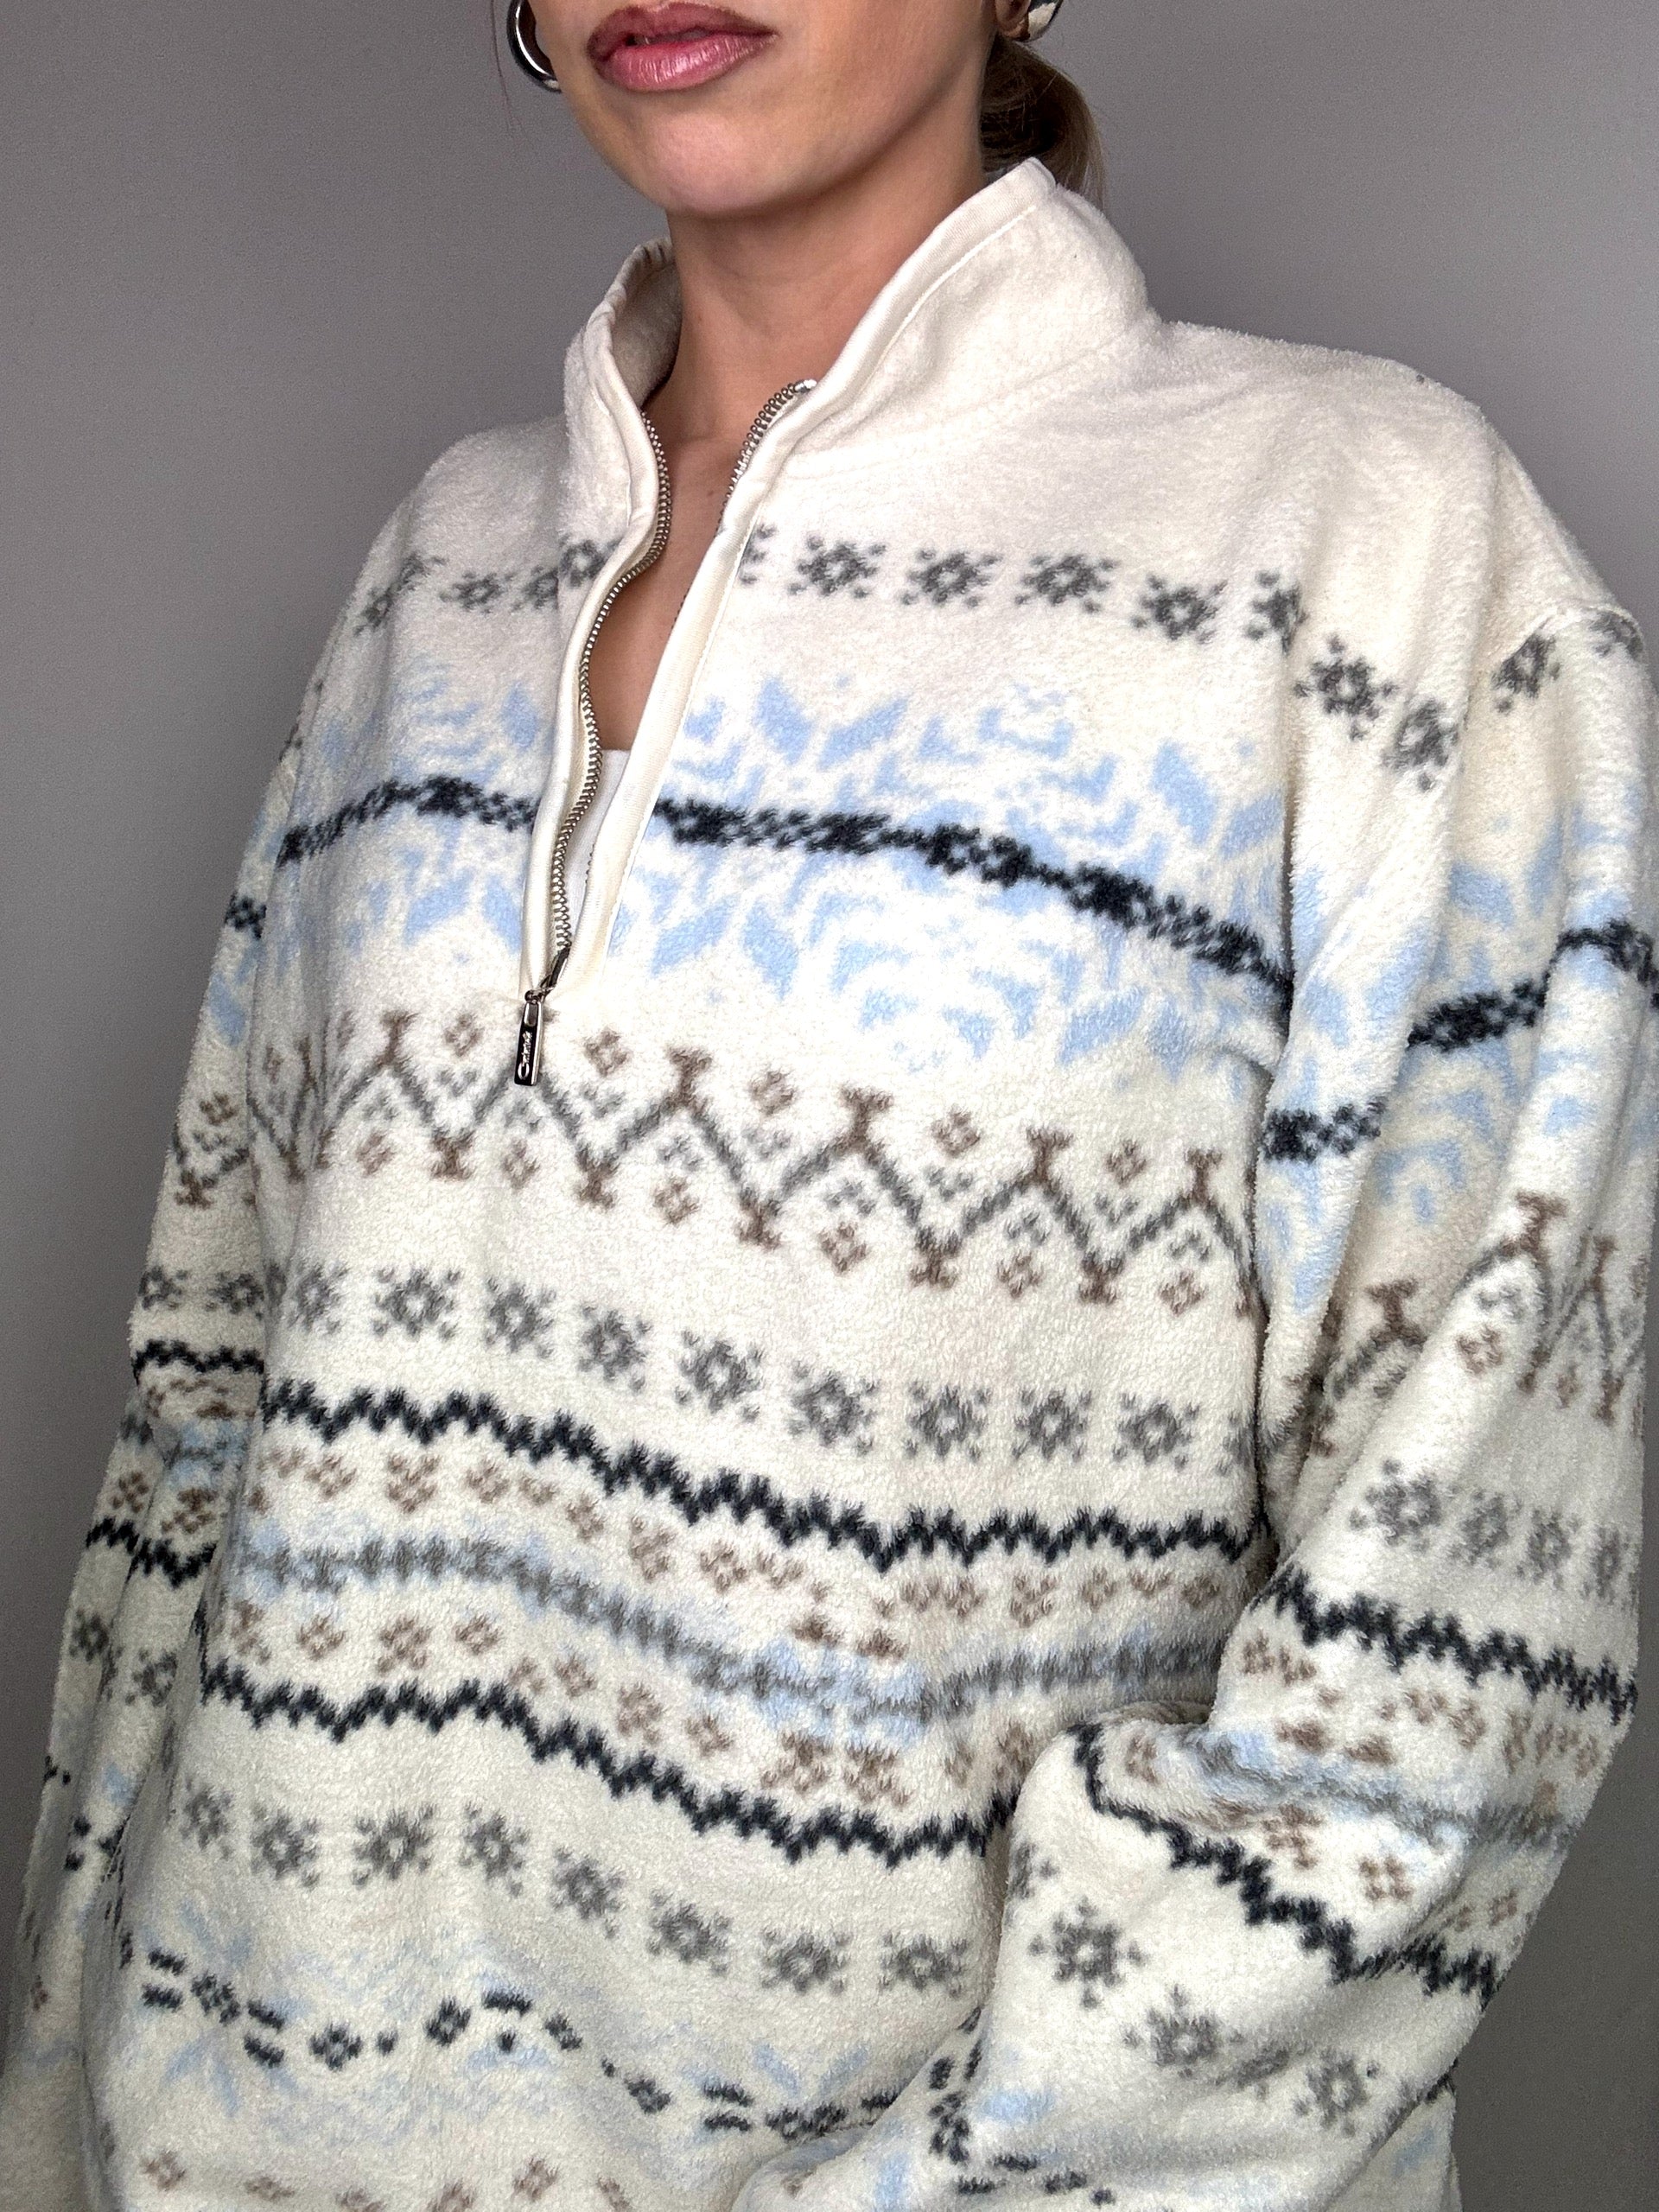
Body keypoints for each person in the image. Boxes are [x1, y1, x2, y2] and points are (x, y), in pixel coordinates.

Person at [2, 3, 1654, 2207]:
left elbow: (1447, 1663)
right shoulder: (442, 563)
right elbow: (204, 1425)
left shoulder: (1377, 552)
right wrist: (67, 2093)